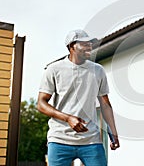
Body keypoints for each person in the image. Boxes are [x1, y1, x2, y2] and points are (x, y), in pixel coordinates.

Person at [37, 29, 120, 166]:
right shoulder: (54, 69)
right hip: (59, 140)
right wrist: (68, 118)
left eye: (90, 44)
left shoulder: (98, 70)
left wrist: (113, 132)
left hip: (91, 140)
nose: (89, 47)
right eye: (84, 44)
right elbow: (41, 103)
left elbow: (105, 105)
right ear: (71, 47)